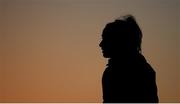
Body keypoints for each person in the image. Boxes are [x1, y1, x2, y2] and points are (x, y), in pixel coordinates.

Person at [99, 15, 159, 103]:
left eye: (105, 39)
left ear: (118, 41)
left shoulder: (142, 72)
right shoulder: (110, 72)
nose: (101, 44)